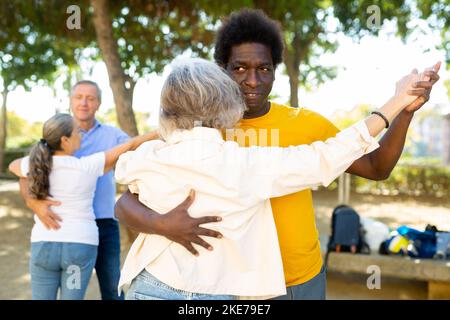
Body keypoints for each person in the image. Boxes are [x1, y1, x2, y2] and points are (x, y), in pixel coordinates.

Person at [115, 9, 440, 300]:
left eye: (264, 69)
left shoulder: (306, 123)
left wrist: (405, 112)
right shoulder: (197, 130)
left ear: (275, 71)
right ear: (221, 71)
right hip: (242, 285)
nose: (252, 80)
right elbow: (128, 202)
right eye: (239, 68)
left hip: (304, 275)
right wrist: (163, 224)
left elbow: (376, 166)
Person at [8, 113, 156, 299]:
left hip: (44, 248)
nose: (81, 135)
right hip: (78, 251)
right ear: (65, 140)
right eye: (77, 131)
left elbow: (13, 166)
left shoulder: (35, 164)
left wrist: (33, 201)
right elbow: (129, 145)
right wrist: (161, 132)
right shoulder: (88, 166)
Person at [17, 80, 130, 300]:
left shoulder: (113, 135)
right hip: (63, 225)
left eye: (90, 98)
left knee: (112, 288)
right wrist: (33, 202)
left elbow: (134, 149)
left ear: (98, 103)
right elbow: (25, 172)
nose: (84, 103)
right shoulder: (53, 135)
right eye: (79, 97)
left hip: (105, 223)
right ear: (71, 101)